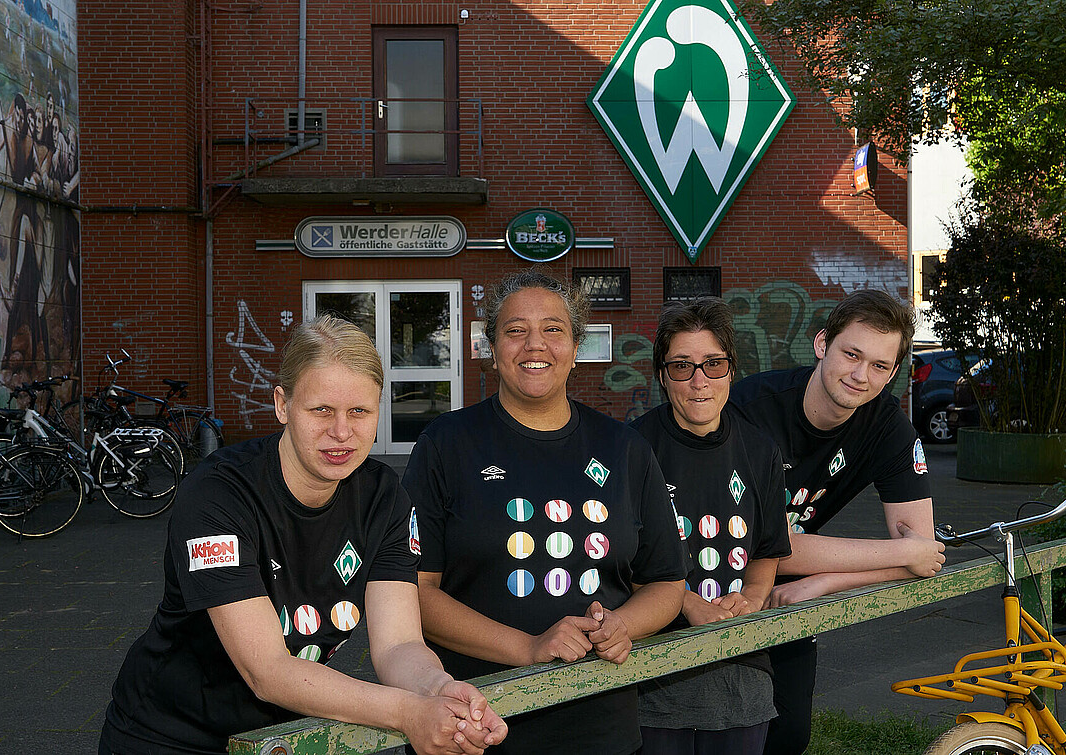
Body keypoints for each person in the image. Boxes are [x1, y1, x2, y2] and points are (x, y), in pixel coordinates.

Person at [101, 315, 507, 755]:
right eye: (321, 410)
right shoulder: (218, 494)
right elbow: (268, 671)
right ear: (282, 405)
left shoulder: (384, 497)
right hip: (171, 734)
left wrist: (439, 689)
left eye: (359, 411)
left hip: (288, 736)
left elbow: (399, 643)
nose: (341, 431)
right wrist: (407, 713)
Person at [403, 268, 688, 755]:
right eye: (515, 331)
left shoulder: (624, 448)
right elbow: (413, 594)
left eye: (553, 329)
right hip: (471, 722)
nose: (535, 345)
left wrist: (626, 625)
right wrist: (528, 647)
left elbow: (665, 583)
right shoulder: (445, 445)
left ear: (576, 348)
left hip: (599, 725)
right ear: (492, 349)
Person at [728, 289, 946, 755]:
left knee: (788, 734)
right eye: (852, 354)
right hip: (703, 583)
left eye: (880, 366)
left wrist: (825, 581)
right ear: (822, 344)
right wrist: (903, 553)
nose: (861, 376)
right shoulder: (749, 409)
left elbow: (923, 553)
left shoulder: (887, 427)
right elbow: (761, 544)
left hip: (789, 590)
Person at [631, 298, 791, 754]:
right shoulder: (633, 449)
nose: (699, 381)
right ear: (662, 375)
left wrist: (754, 597)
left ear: (731, 371)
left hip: (741, 673)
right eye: (682, 366)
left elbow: (766, 551)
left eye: (713, 364)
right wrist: (684, 603)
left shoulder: (761, 452)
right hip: (653, 674)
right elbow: (617, 557)